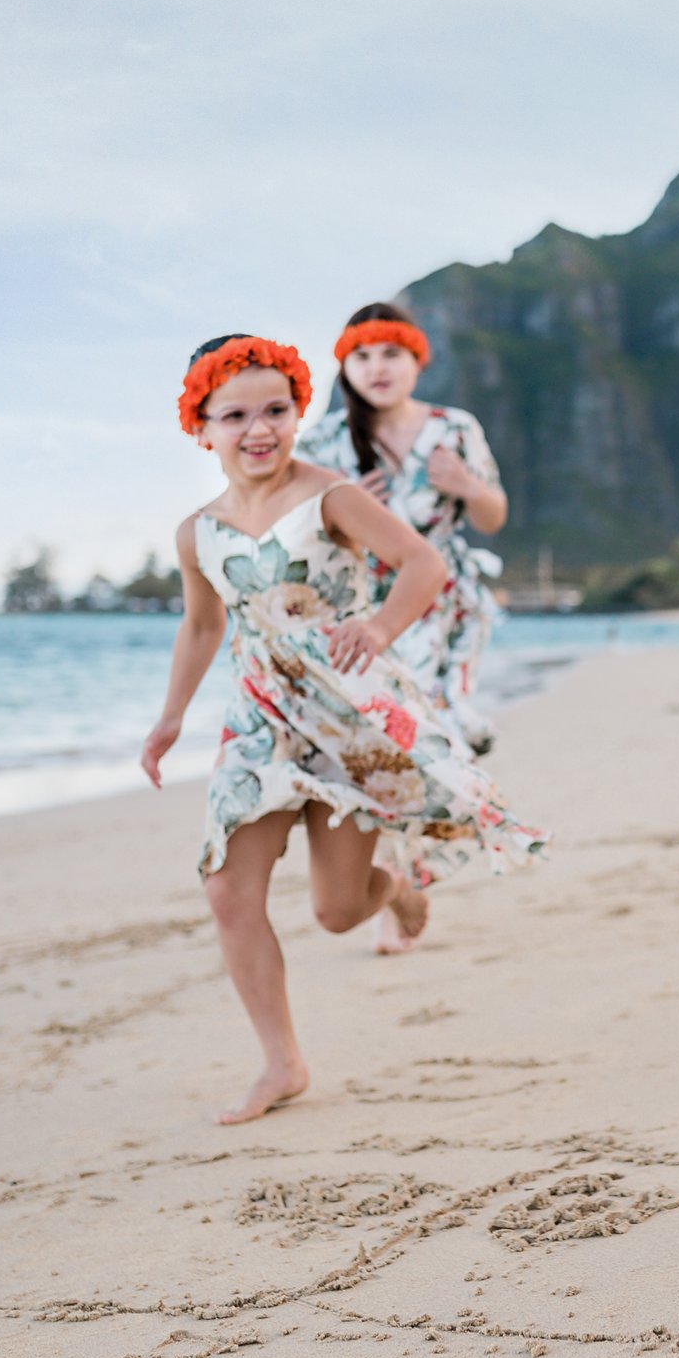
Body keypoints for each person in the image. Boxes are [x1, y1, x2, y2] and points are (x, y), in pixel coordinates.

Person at [142, 333, 545, 1125]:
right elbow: (199, 628)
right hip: (258, 721)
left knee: (334, 909)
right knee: (225, 888)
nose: (258, 428)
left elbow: (424, 564)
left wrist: (383, 628)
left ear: (297, 412)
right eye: (235, 415)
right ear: (202, 427)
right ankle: (281, 1062)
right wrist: (168, 719)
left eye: (276, 409)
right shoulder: (197, 532)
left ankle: (393, 889)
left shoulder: (330, 495)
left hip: (343, 716)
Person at [296, 302, 509, 753]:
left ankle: (452, 809)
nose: (377, 368)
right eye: (363, 356)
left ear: (417, 362)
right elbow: (301, 536)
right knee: (381, 727)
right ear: (346, 367)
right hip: (362, 604)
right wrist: (353, 514)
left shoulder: (453, 429)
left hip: (443, 597)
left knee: (434, 721)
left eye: (391, 353)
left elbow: (493, 519)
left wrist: (465, 485)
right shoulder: (325, 441)